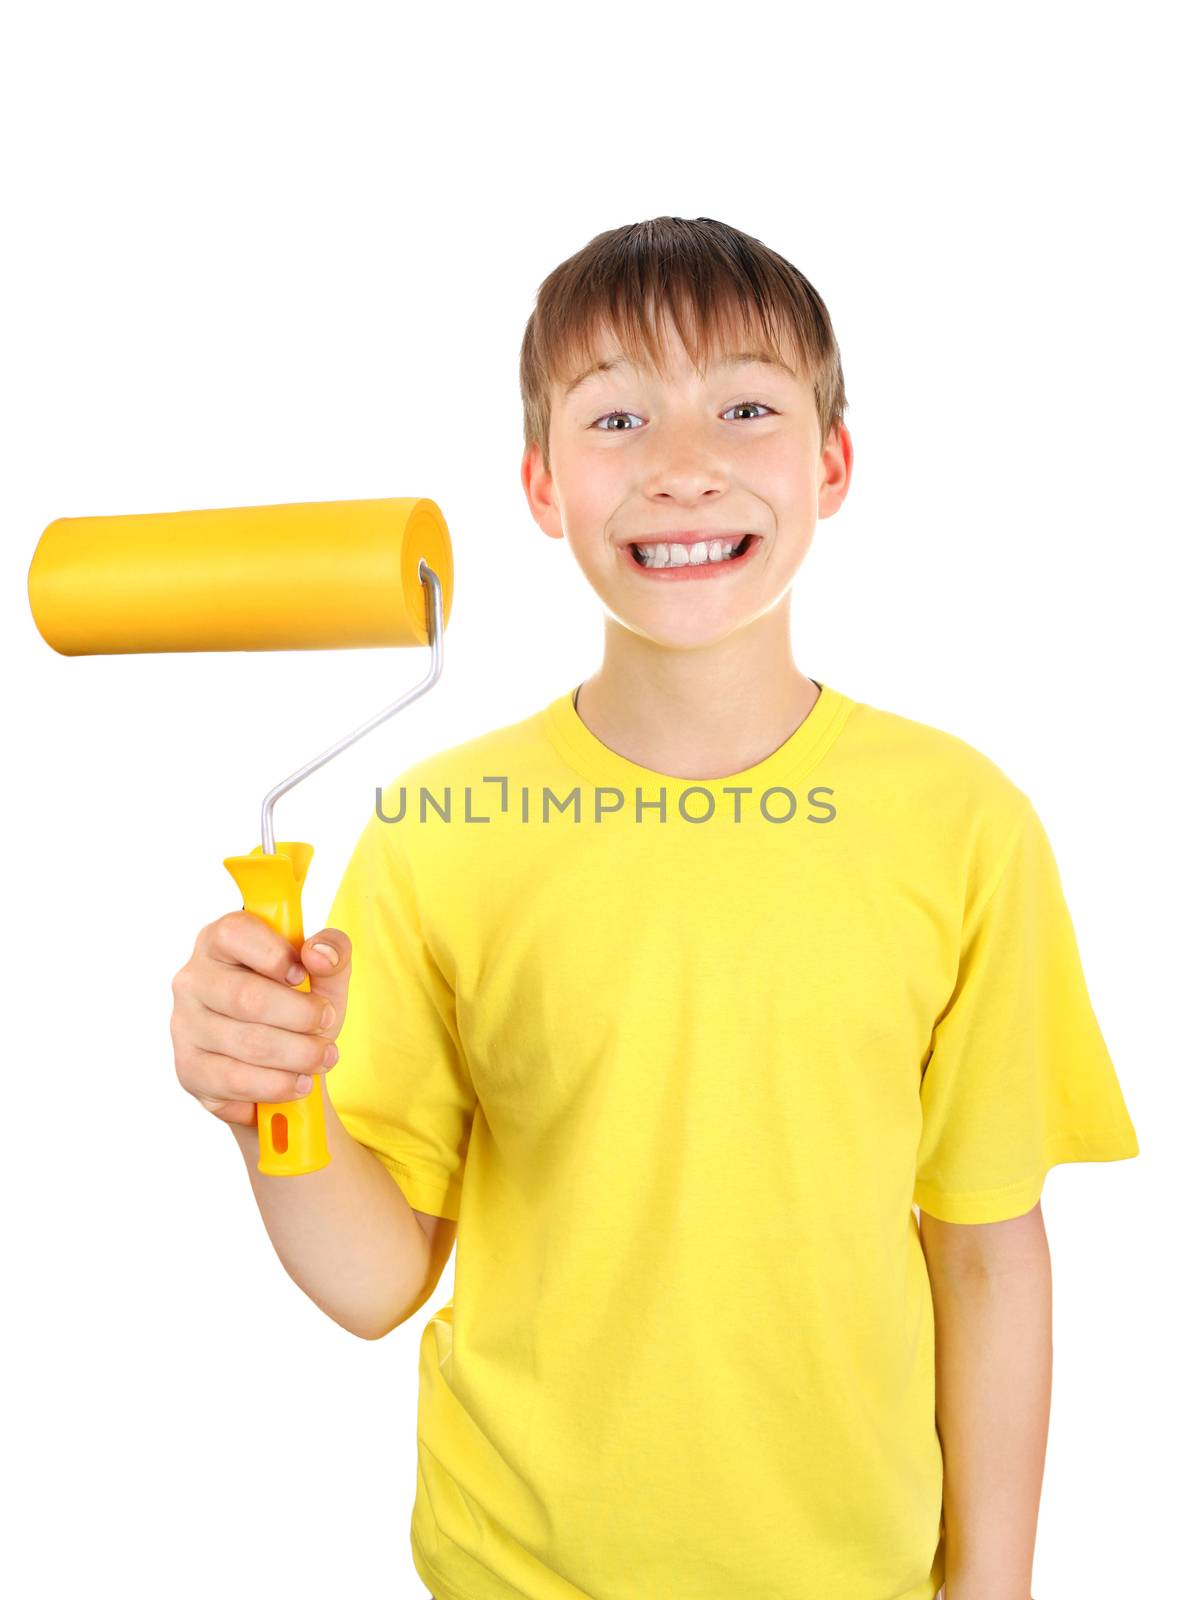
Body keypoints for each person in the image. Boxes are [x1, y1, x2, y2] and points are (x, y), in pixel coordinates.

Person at [170, 216, 1139, 1600]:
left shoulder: (962, 823)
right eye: (618, 416)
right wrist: (272, 1107)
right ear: (543, 485)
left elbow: (987, 1252)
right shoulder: (441, 830)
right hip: (515, 1571)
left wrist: (993, 1591)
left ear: (832, 463)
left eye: (746, 407)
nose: (684, 469)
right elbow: (377, 1282)